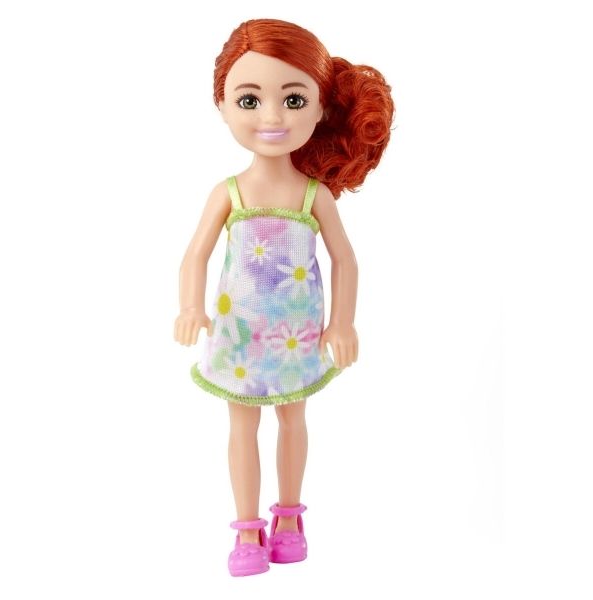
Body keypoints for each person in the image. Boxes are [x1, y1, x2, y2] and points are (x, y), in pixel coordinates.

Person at [173, 18, 394, 576]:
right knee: (242, 426)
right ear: (222, 105)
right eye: (250, 100)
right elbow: (195, 254)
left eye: (293, 100)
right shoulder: (229, 192)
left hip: (297, 336)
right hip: (239, 337)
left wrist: (342, 323)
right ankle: (247, 529)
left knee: (292, 421)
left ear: (320, 110)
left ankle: (290, 520)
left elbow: (345, 259)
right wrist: (190, 306)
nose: (272, 117)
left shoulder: (313, 195)